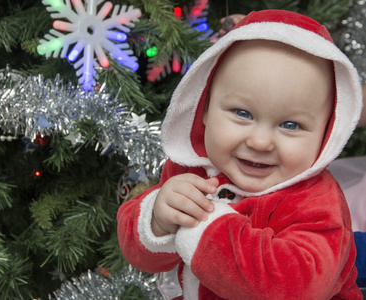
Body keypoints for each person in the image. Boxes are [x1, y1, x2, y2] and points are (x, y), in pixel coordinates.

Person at [117, 10, 363, 299]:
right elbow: (142, 256)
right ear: (205, 109)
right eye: (242, 113)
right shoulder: (193, 171)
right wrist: (158, 219)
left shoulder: (316, 200)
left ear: (325, 134)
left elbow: (297, 285)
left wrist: (205, 230)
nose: (260, 142)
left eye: (291, 125)